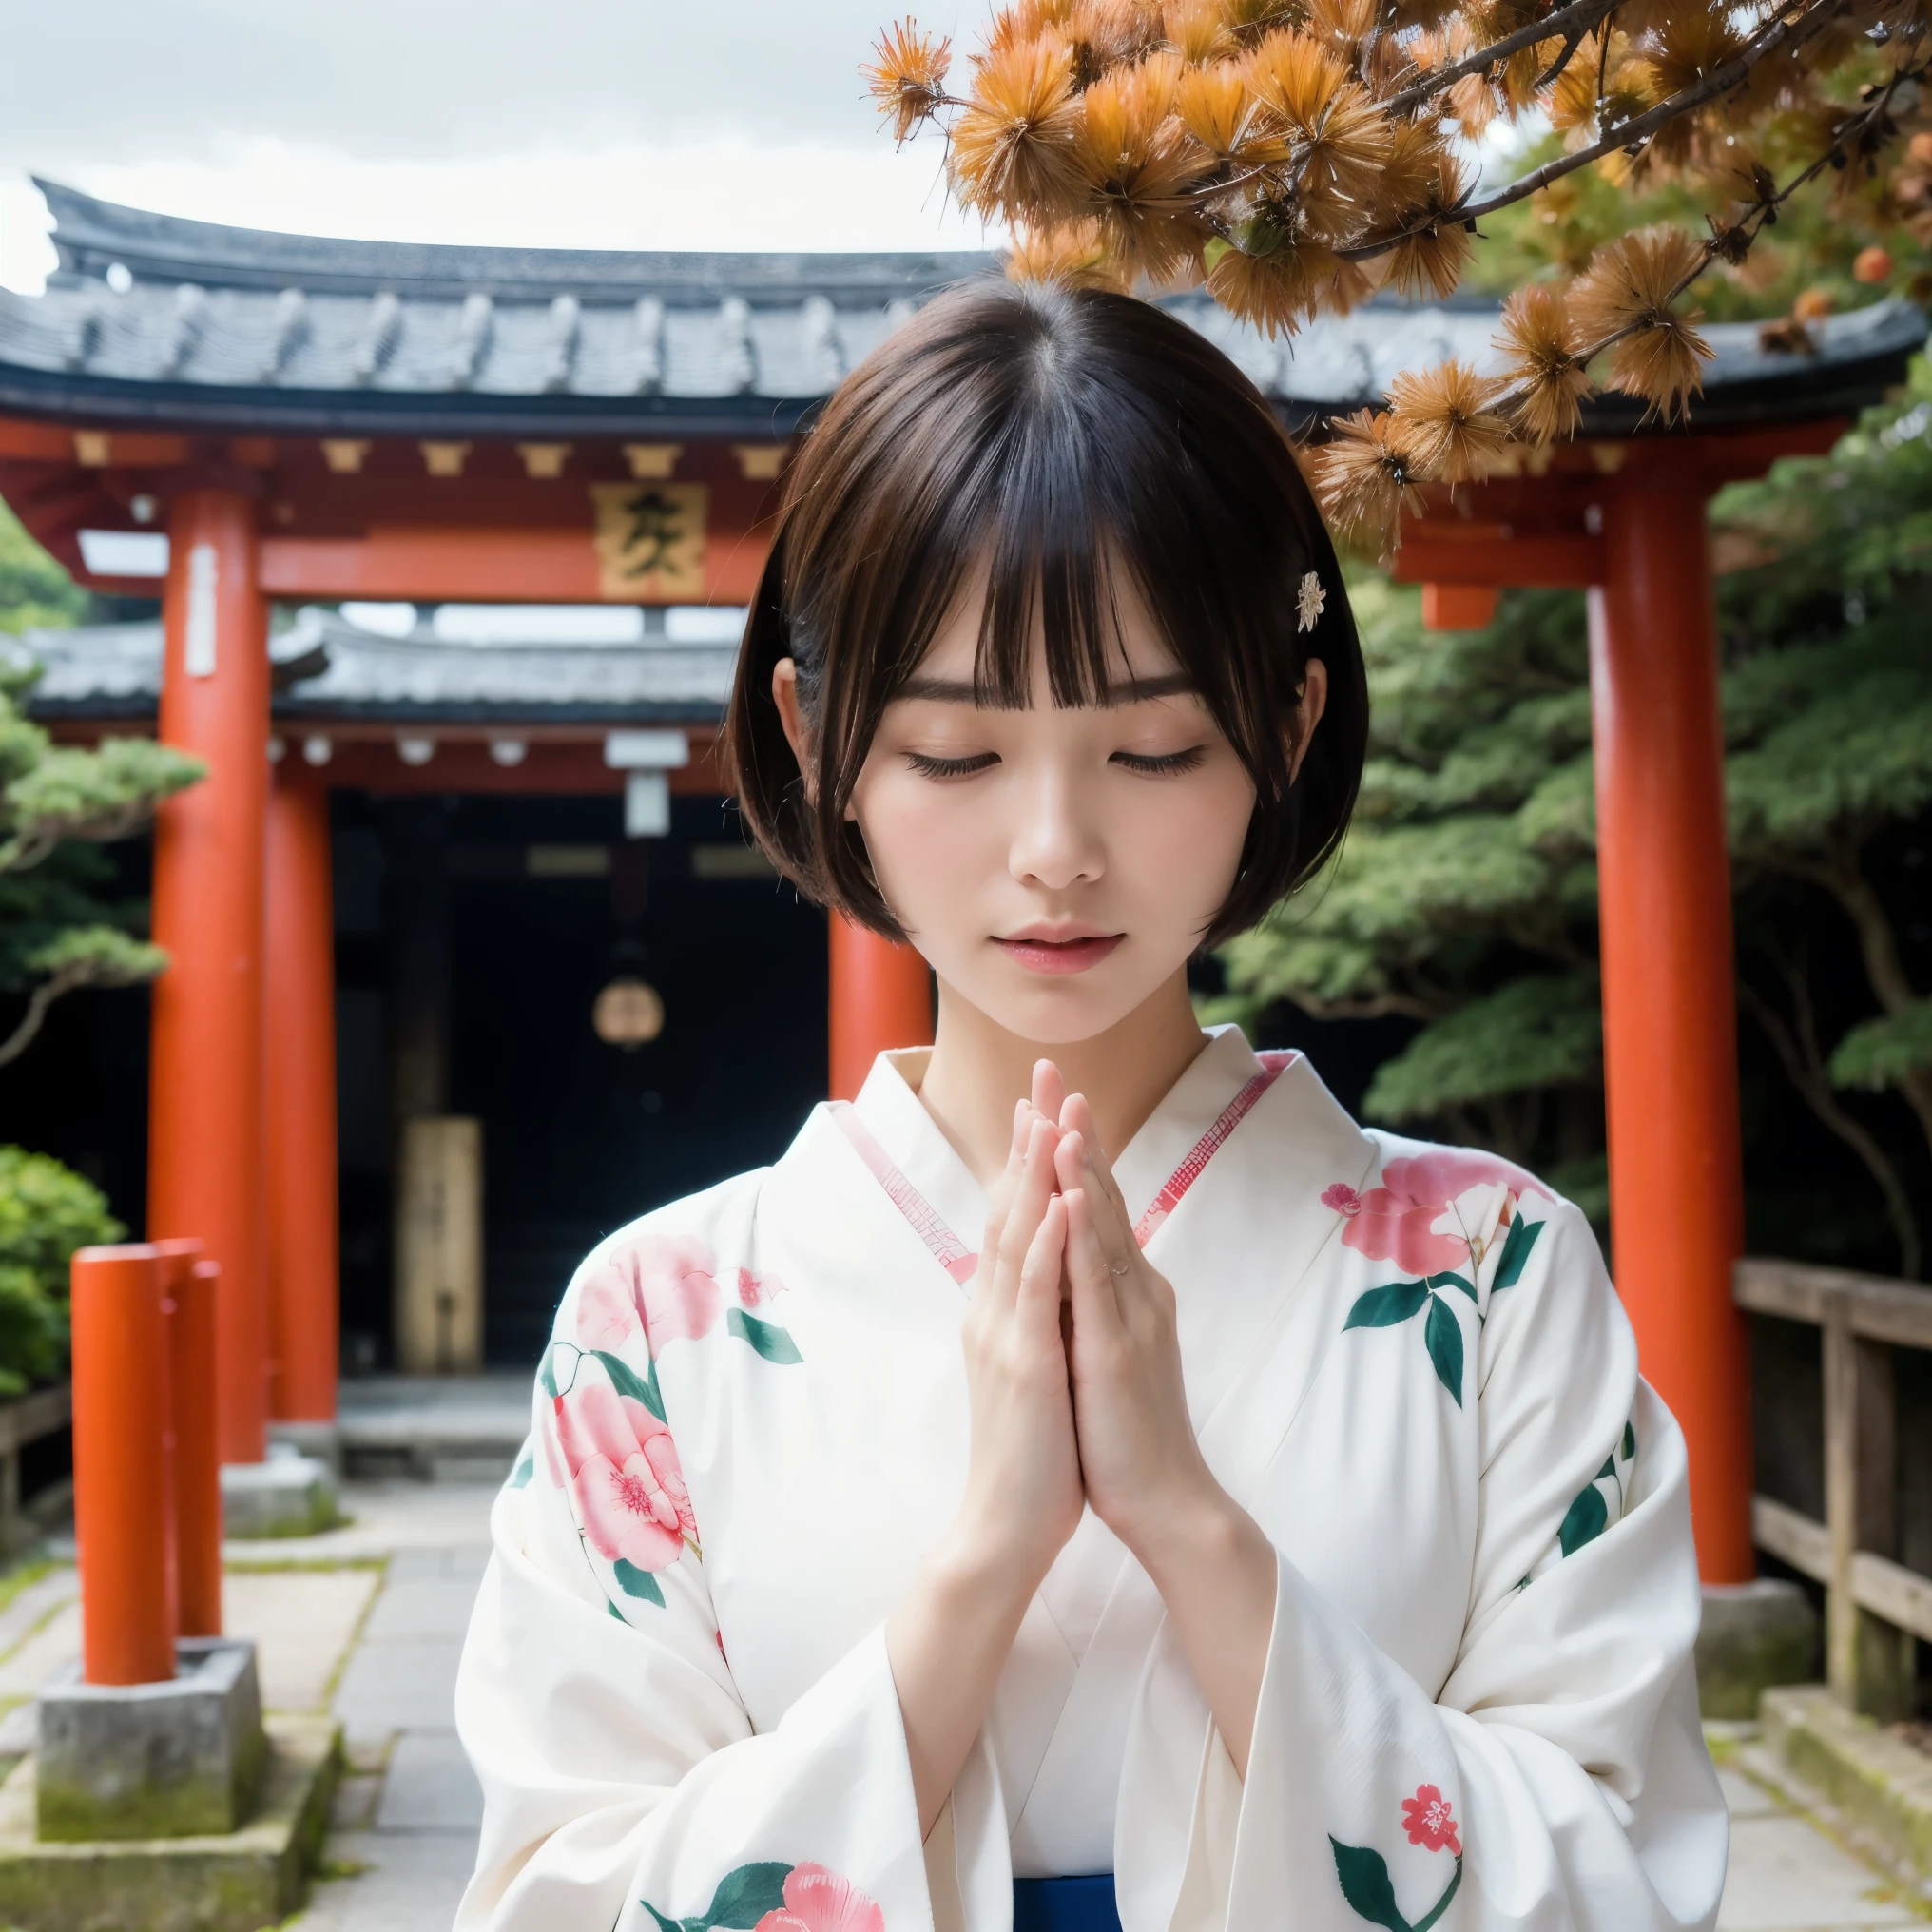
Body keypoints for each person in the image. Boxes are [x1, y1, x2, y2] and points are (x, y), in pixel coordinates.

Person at [454, 280, 1727, 1932]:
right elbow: (560, 1893)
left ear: (1288, 722)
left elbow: (1622, 1869)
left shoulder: (1495, 1277)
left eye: (1151, 750)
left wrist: (1195, 1528)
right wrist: (983, 1564)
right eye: (955, 755)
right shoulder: (653, 1326)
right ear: (815, 735)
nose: (1055, 846)